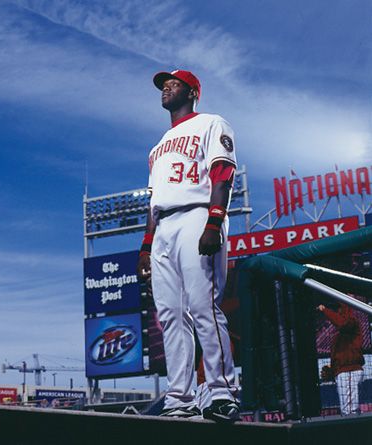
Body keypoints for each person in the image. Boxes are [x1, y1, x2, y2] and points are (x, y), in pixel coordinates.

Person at [137, 69, 239, 422]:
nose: (166, 87)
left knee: (203, 306)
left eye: (174, 83)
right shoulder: (156, 148)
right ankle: (180, 398)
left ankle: (221, 391)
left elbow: (222, 172)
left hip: (197, 214)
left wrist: (214, 221)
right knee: (169, 316)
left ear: (192, 91)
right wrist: (146, 247)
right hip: (164, 225)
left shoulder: (212, 123)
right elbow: (154, 201)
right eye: (164, 85)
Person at [317, 303, 364, 415]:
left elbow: (342, 323)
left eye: (340, 311)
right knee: (346, 410)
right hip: (343, 372)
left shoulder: (352, 323)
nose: (338, 313)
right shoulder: (337, 337)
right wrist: (332, 370)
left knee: (350, 411)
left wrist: (325, 310)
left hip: (351, 371)